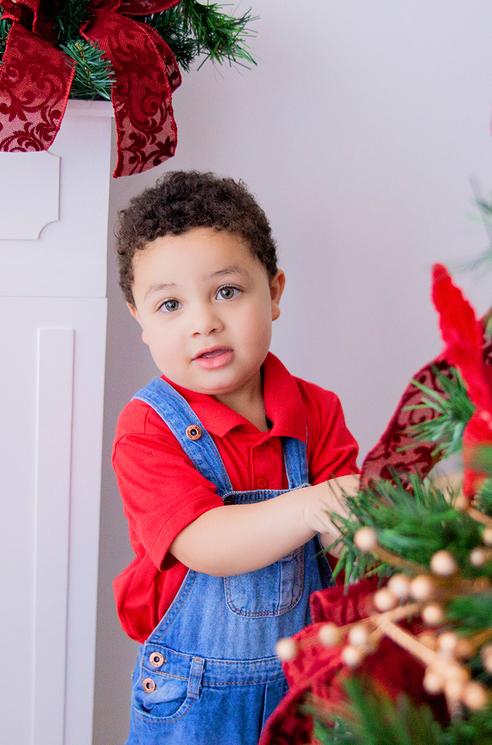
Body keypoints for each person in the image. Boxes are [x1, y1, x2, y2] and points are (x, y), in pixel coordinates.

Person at [113, 170, 363, 745]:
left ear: (273, 293)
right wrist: (313, 506)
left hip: (310, 688)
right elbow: (203, 543)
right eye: (170, 304)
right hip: (193, 702)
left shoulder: (316, 412)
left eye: (227, 291)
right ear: (141, 323)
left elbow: (347, 549)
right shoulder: (149, 428)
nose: (204, 322)